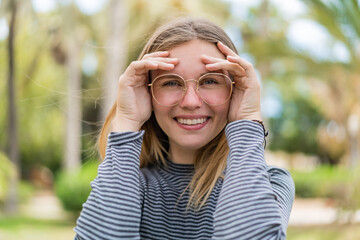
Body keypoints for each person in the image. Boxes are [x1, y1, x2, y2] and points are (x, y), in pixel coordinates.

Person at [74, 17, 295, 240]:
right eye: (170, 82)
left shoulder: (270, 182)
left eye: (210, 81)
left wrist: (247, 120)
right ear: (147, 93)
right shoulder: (126, 182)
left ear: (236, 89)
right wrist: (127, 122)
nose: (191, 102)